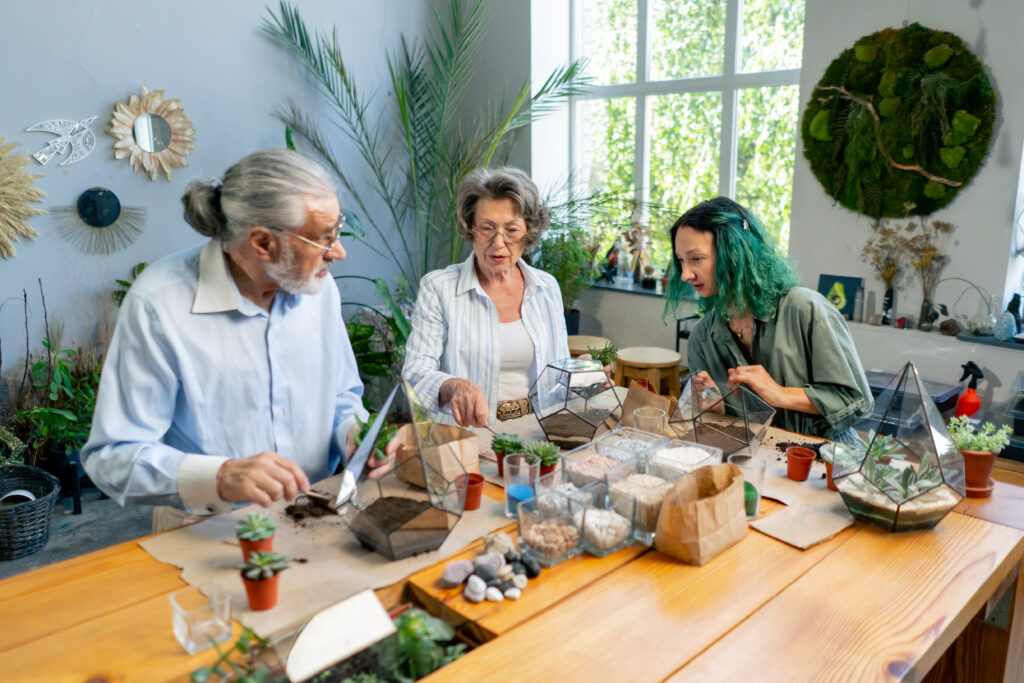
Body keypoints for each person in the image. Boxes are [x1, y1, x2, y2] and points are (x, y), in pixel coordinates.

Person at [82, 149, 394, 531]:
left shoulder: (319, 290)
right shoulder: (160, 304)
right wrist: (222, 476)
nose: (339, 252)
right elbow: (113, 458)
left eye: (337, 231)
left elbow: (341, 395)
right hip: (208, 530)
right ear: (263, 243)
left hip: (319, 512)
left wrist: (353, 433)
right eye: (324, 238)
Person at [667, 196, 872, 441]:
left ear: (734, 253)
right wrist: (714, 411)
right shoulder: (702, 336)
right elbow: (724, 425)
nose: (685, 274)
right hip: (756, 458)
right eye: (681, 261)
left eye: (696, 259)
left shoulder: (805, 309)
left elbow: (857, 402)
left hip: (827, 461)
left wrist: (780, 394)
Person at [402, 167, 570, 428]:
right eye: (486, 228)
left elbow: (559, 374)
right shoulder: (439, 289)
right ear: (470, 227)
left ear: (528, 232)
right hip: (467, 436)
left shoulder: (546, 288)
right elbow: (414, 376)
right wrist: (453, 386)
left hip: (541, 434)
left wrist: (582, 373)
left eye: (512, 230)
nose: (498, 242)